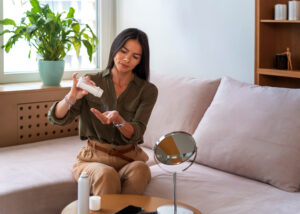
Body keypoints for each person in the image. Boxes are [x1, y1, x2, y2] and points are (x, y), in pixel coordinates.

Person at [48, 28, 158, 195]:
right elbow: (57, 118)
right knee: (106, 174)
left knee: (141, 170)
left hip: (129, 158)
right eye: (123, 51)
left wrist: (118, 120)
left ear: (140, 61)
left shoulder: (147, 90)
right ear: (115, 49)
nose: (127, 59)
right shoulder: (91, 81)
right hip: (93, 158)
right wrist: (71, 96)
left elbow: (137, 133)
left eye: (135, 56)